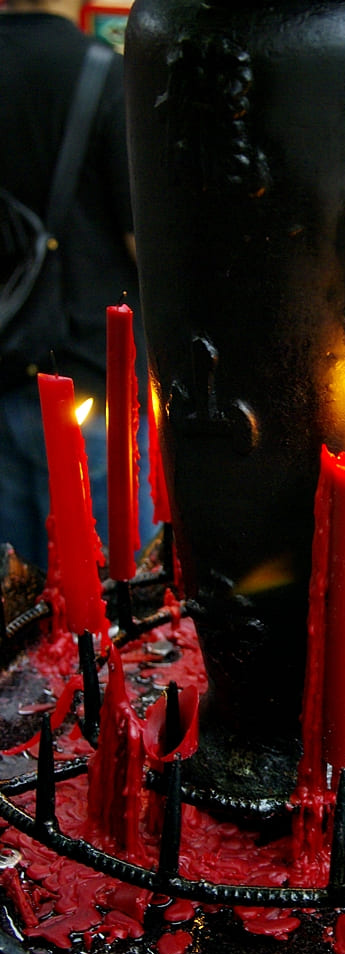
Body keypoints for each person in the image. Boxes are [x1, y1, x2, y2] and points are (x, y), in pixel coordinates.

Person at [0, 0, 154, 570]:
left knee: (19, 593)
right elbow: (143, 243)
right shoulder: (103, 72)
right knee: (112, 589)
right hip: (93, 375)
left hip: (4, 361)